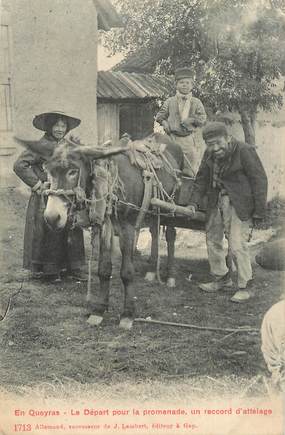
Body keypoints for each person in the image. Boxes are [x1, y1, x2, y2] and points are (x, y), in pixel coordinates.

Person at [188, 122, 268, 302]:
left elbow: (259, 180)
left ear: (228, 138)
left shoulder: (244, 151)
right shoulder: (209, 154)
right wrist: (193, 203)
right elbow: (201, 179)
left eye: (218, 143)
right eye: (210, 144)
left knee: (237, 245)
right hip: (216, 201)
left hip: (238, 203)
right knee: (212, 240)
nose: (215, 148)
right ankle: (221, 278)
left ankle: (246, 285)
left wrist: (259, 212)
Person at [14, 111, 85, 281]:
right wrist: (38, 184)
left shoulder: (69, 146)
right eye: (56, 125)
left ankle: (72, 268)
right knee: (50, 230)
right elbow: (19, 165)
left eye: (63, 125)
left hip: (67, 196)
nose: (60, 129)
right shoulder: (41, 145)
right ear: (49, 127)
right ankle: (50, 271)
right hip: (47, 196)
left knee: (72, 229)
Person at [155, 67, 207, 177]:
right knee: (168, 166)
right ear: (176, 85)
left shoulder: (196, 102)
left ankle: (188, 189)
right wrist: (164, 123)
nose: (184, 85)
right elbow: (160, 116)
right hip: (171, 139)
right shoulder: (170, 101)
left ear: (192, 85)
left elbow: (202, 118)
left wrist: (192, 120)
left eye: (187, 83)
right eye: (181, 82)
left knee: (190, 169)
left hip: (188, 140)